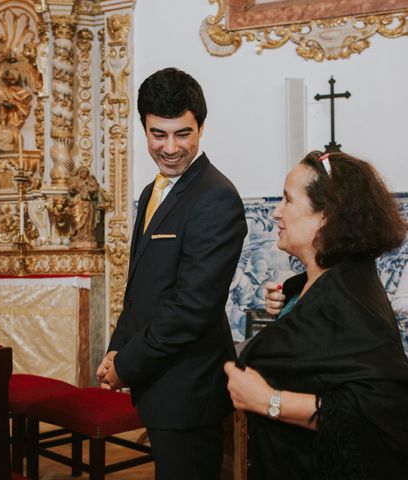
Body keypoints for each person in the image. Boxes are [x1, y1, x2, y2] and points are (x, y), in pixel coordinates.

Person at [97, 67, 247, 479]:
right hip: (160, 381)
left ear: (201, 126)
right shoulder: (152, 191)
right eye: (158, 134)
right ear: (143, 127)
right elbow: (141, 287)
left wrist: (128, 363)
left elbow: (192, 307)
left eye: (183, 133)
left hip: (190, 388)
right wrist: (116, 347)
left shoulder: (215, 196)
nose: (170, 147)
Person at [225, 151, 408, 479]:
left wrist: (269, 401)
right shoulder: (319, 280)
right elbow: (319, 362)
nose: (276, 212)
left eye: (288, 200)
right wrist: (289, 305)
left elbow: (378, 409)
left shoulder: (347, 297)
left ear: (325, 216)